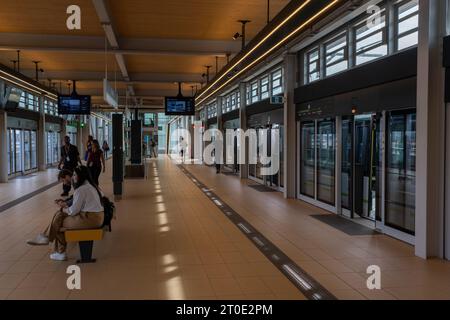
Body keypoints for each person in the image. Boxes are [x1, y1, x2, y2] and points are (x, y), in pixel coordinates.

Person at [27, 166, 105, 261]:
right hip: (96, 217)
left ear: (81, 176)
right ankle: (47, 239)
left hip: (90, 219)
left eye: (75, 175)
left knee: (58, 222)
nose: (73, 177)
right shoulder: (89, 185)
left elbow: (73, 211)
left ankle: (58, 250)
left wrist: (64, 209)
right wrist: (65, 208)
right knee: (58, 217)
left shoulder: (81, 189)